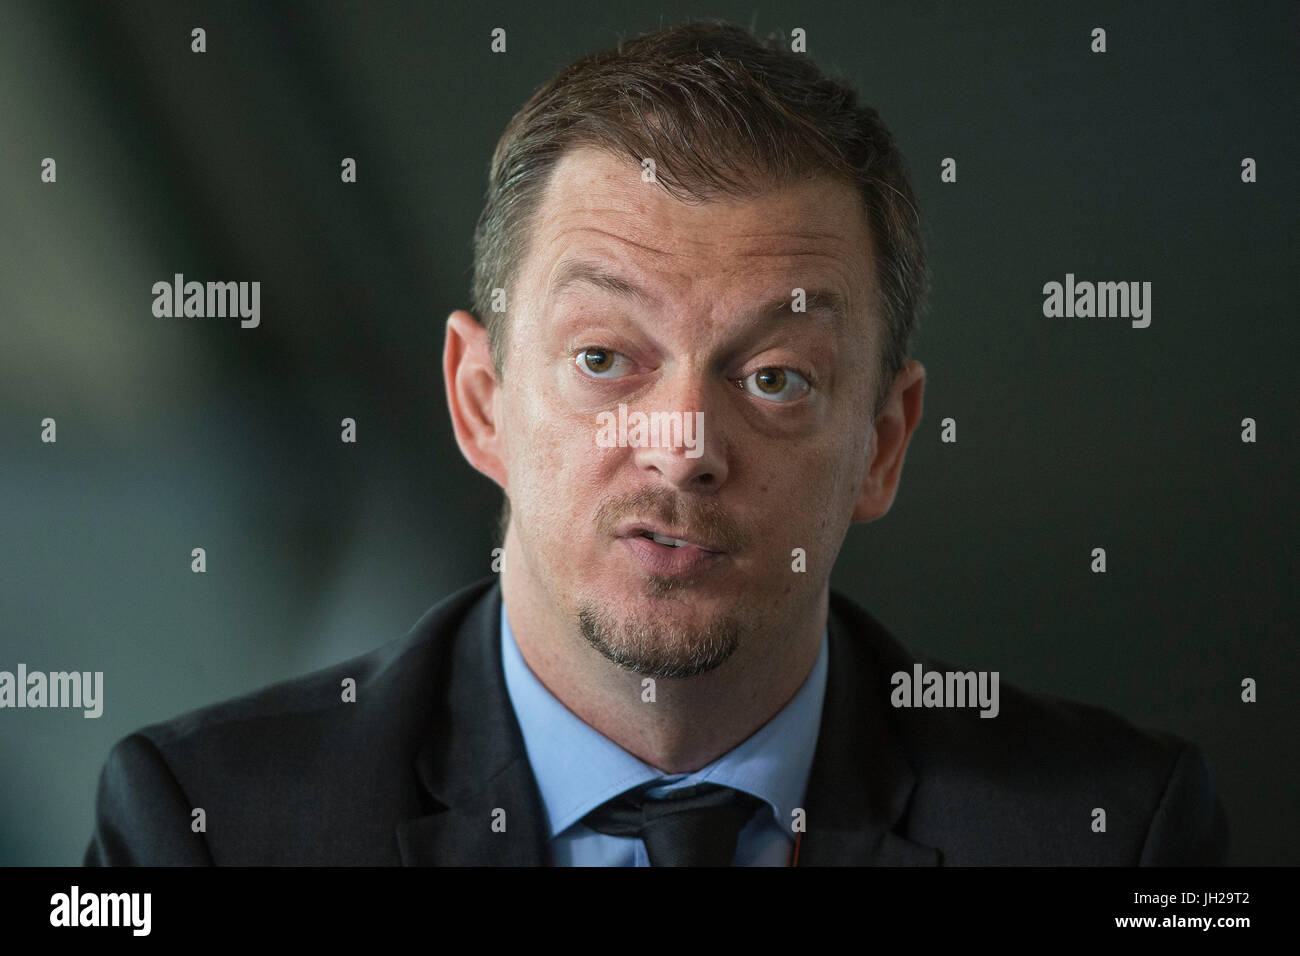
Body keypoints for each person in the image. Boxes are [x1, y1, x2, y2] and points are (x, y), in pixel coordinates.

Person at [84, 19, 1227, 867]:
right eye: (603, 358)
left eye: (774, 377)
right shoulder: (202, 827)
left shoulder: (1113, 832)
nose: (682, 447)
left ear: (882, 444)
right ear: (479, 399)